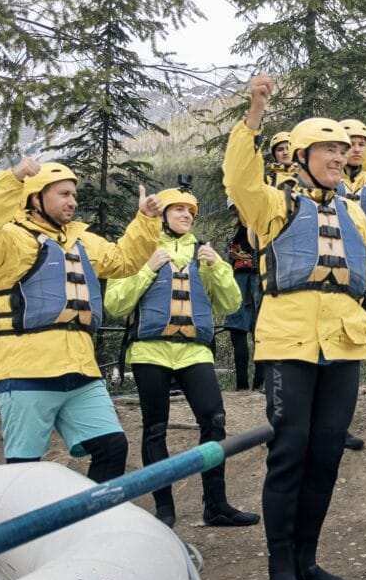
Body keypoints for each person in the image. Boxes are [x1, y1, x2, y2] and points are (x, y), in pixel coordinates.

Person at [224, 74, 366, 580]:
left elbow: (363, 274)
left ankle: (307, 559)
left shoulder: (356, 211)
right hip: (289, 341)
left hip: (344, 344)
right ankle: (280, 564)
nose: (337, 158)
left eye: (341, 151)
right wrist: (256, 113)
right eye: (327, 151)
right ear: (305, 156)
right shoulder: (274, 204)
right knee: (290, 451)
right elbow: (239, 180)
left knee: (327, 455)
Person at [0, 159, 162, 481]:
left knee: (112, 448)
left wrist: (146, 220)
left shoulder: (81, 240)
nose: (73, 201)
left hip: (81, 370)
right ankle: (30, 532)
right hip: (26, 372)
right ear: (35, 197)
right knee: (24, 471)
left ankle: (87, 526)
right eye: (64, 194)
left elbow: (123, 260)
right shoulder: (11, 241)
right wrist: (12, 179)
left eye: (74, 195)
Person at [104, 187, 259, 528]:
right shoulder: (139, 250)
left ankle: (216, 505)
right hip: (150, 351)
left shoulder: (202, 254)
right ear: (162, 214)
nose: (187, 215)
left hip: (194, 352)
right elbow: (115, 305)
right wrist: (146, 269)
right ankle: (164, 509)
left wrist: (218, 267)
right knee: (155, 428)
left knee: (214, 419)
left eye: (191, 211)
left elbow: (230, 305)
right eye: (179, 209)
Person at [338, 118, 366, 451]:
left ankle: (340, 423)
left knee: (350, 349)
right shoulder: (322, 182)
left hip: (365, 278)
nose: (356, 148)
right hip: (329, 278)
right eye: (350, 142)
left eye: (362, 143)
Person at [225, 198, 264, 391]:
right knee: (243, 331)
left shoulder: (255, 228)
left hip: (252, 282)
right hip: (247, 282)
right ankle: (247, 384)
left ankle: (256, 384)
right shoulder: (250, 229)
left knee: (257, 332)